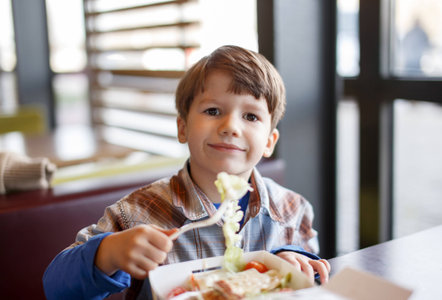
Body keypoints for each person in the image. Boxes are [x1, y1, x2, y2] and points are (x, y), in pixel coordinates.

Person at [43, 45, 331, 300]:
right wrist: (109, 253)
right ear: (183, 128)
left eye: (251, 116)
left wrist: (292, 261)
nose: (231, 126)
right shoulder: (137, 214)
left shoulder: (292, 210)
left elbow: (310, 280)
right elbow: (56, 288)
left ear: (269, 142)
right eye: (213, 111)